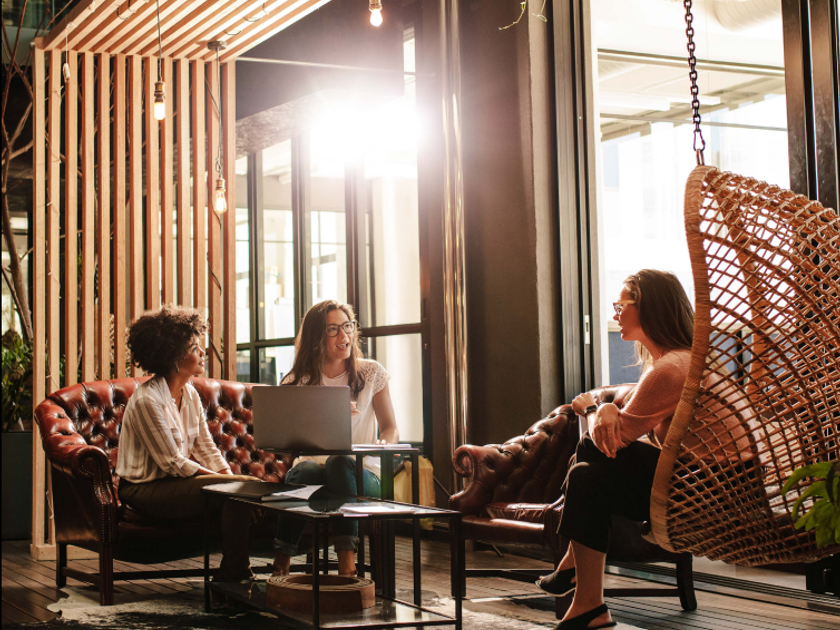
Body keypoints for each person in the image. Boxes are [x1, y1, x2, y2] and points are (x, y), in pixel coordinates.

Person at [537, 270, 695, 630]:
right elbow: (617, 436)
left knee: (587, 461)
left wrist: (594, 408)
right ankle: (587, 604)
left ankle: (582, 589)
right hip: (696, 479)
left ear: (649, 307)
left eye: (621, 305)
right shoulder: (680, 361)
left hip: (701, 489)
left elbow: (606, 441)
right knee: (585, 475)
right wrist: (608, 411)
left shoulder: (672, 367)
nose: (615, 314)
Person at [115, 305, 257, 582]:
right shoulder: (147, 400)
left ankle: (233, 574)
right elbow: (172, 462)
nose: (203, 352)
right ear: (174, 357)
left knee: (240, 491)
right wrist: (230, 483)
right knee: (240, 489)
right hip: (143, 490)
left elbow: (206, 448)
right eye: (194, 348)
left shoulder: (189, 394)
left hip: (174, 485)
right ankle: (236, 576)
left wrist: (229, 478)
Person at [272, 300, 398, 577]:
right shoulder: (298, 380)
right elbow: (288, 439)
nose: (344, 335)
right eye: (333, 329)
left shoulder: (371, 373)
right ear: (316, 337)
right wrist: (324, 415)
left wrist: (383, 444)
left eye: (347, 326)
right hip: (314, 471)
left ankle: (346, 566)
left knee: (340, 462)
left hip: (362, 472)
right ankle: (281, 564)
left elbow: (390, 428)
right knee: (304, 469)